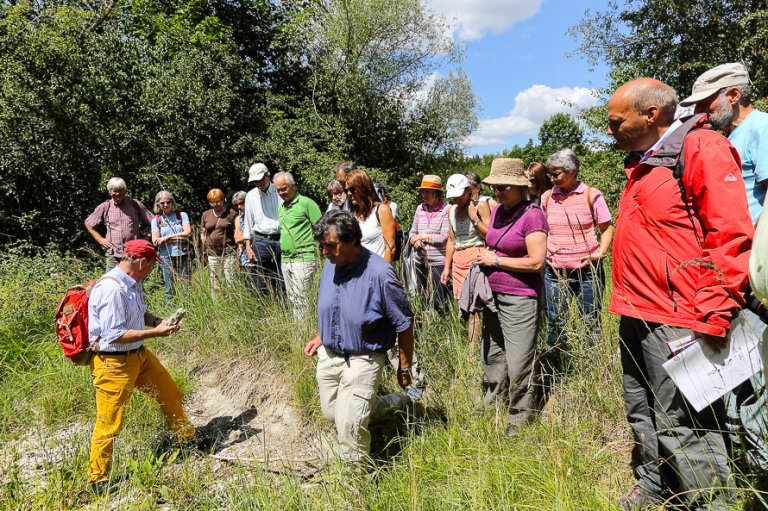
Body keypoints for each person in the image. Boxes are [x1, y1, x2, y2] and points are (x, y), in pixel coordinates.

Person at [607, 77, 752, 510]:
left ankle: (711, 502)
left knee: (684, 422)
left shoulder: (700, 147)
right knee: (641, 408)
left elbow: (729, 234)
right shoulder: (646, 160)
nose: (609, 131)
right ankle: (656, 485)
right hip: (636, 310)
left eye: (616, 122)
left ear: (650, 115)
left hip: (679, 315)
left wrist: (713, 312)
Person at [303, 210, 415, 462]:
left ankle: (354, 484)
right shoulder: (331, 266)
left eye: (330, 246)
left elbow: (405, 323)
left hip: (364, 359)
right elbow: (336, 307)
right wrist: (321, 335)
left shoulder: (380, 274)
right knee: (333, 412)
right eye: (321, 246)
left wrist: (404, 366)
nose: (324, 252)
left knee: (350, 427)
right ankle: (395, 404)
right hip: (330, 356)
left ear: (352, 240)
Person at [87, 240, 195, 495]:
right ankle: (98, 479)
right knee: (109, 422)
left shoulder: (132, 284)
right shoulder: (112, 289)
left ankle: (188, 440)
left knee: (170, 394)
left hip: (139, 357)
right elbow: (113, 334)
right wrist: (155, 334)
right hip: (113, 363)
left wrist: (157, 321)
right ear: (141, 262)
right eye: (151, 266)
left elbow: (140, 313)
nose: (151, 271)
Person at [474, 158, 548, 436]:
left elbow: (537, 262)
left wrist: (496, 262)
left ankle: (519, 420)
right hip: (492, 294)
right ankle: (493, 404)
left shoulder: (532, 215)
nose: (498, 191)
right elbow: (493, 242)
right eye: (494, 187)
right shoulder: (497, 212)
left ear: (519, 186)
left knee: (519, 361)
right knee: (493, 356)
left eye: (504, 186)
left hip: (520, 297)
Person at [540, 149, 613, 351]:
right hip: (554, 270)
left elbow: (606, 227)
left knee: (589, 319)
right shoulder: (547, 197)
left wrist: (601, 252)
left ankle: (592, 364)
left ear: (572, 171)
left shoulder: (591, 194)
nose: (552, 178)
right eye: (550, 174)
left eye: (556, 174)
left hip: (587, 270)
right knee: (555, 320)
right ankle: (557, 362)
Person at [681, 62, 768, 226]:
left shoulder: (762, 127)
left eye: (705, 103)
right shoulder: (728, 138)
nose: (698, 110)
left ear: (734, 95)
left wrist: (757, 245)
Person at [440, 174, 491, 356]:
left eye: (459, 195)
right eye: (453, 196)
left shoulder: (481, 206)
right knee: (463, 306)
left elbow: (490, 236)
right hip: (459, 260)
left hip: (477, 258)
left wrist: (474, 218)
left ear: (469, 191)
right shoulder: (451, 210)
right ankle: (473, 343)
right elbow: (451, 241)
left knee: (475, 308)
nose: (456, 199)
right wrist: (447, 267)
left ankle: (472, 353)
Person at [274, 171, 322, 320]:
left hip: (304, 258)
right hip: (286, 259)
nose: (282, 193)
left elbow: (321, 227)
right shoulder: (281, 207)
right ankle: (298, 332)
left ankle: (303, 335)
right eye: (278, 190)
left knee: (302, 300)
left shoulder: (306, 203)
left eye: (284, 188)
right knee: (293, 300)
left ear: (293, 186)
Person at [85, 177, 153, 271]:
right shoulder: (105, 206)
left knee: (134, 282)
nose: (118, 193)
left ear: (125, 191)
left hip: (133, 253)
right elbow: (88, 223)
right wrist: (99, 238)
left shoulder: (135, 205)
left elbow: (154, 221)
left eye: (121, 190)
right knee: (112, 282)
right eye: (115, 191)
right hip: (113, 254)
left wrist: (146, 239)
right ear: (109, 191)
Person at [409, 174, 451, 312]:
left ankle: (441, 328)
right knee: (421, 298)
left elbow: (444, 237)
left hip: (438, 262)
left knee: (438, 300)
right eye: (422, 191)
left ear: (436, 193)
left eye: (427, 191)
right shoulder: (419, 209)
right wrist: (414, 241)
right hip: (419, 261)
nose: (423, 194)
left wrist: (423, 236)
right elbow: (412, 233)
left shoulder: (446, 210)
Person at [242, 163, 283, 294]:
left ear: (268, 176)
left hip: (282, 238)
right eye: (255, 181)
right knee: (263, 280)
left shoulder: (280, 191)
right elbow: (248, 221)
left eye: (261, 179)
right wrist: (248, 247)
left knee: (282, 277)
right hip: (261, 240)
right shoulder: (251, 196)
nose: (258, 183)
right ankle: (264, 311)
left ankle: (284, 309)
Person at [347, 170, 396, 263]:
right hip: (356, 272)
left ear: (363, 188)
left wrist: (383, 273)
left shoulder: (382, 210)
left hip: (376, 272)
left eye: (352, 189)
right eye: (347, 190)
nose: (349, 193)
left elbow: (391, 248)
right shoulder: (352, 214)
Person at [150, 191, 192, 302]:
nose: (165, 205)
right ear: (158, 204)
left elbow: (187, 232)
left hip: (182, 253)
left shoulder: (181, 215)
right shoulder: (156, 220)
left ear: (172, 202)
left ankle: (188, 309)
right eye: (162, 203)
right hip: (166, 256)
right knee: (169, 288)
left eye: (168, 202)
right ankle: (170, 312)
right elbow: (155, 241)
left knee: (186, 286)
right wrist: (177, 237)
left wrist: (165, 238)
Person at [200, 188, 238, 292]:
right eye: (212, 202)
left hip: (229, 253)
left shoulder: (231, 213)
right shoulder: (206, 214)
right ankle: (216, 305)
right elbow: (203, 232)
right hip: (212, 254)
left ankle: (233, 303)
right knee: (215, 283)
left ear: (223, 200)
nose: (215, 204)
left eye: (217, 201)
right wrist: (205, 247)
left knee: (231, 280)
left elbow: (238, 231)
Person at [232, 191, 258, 289]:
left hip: (259, 253)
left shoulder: (257, 215)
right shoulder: (239, 218)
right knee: (249, 286)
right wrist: (248, 237)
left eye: (241, 203)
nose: (239, 206)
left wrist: (247, 236)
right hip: (245, 257)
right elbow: (237, 238)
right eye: (236, 205)